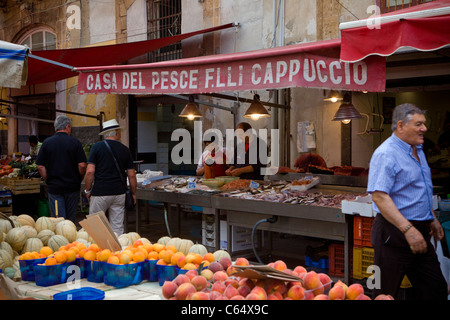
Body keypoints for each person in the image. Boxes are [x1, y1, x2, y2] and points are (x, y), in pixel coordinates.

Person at [367, 103, 448, 300]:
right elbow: (379, 196)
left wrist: (432, 217)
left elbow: (419, 189)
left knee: (436, 289)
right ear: (401, 126)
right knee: (383, 294)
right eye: (419, 124)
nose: (425, 129)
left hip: (420, 232)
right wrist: (408, 230)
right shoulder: (386, 153)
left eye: (424, 124)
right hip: (393, 234)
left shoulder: (418, 149)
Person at [84, 119, 137, 236]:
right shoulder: (125, 150)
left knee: (96, 226)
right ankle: (117, 252)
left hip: (100, 193)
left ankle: (98, 251)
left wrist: (87, 190)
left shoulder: (96, 147)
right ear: (116, 132)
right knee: (117, 228)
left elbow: (90, 172)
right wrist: (133, 193)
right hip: (119, 193)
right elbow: (132, 175)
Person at [36, 115, 87, 222]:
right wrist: (79, 178)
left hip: (55, 188)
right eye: (70, 127)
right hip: (72, 187)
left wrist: (48, 179)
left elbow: (40, 166)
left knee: (59, 221)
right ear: (67, 126)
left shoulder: (47, 143)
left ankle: (61, 238)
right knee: (70, 221)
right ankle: (71, 238)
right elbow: (82, 165)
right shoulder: (75, 142)